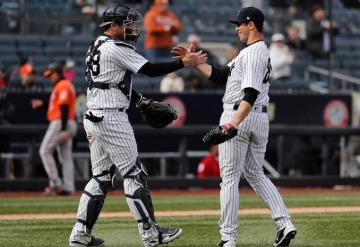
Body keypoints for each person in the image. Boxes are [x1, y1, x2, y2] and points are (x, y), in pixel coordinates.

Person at [68, 5, 206, 247]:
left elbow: (111, 82)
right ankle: (151, 233)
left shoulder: (96, 46)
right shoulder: (115, 46)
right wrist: (184, 63)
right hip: (112, 118)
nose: (132, 28)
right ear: (113, 26)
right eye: (127, 23)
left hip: (94, 115)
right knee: (134, 173)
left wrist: (140, 100)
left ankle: (80, 234)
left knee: (100, 177)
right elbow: (150, 70)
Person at [173, 6, 296, 247]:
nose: (236, 28)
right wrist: (194, 63)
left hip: (240, 113)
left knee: (229, 178)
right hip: (258, 118)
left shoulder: (253, 53)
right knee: (255, 173)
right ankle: (284, 223)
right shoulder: (250, 52)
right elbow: (220, 76)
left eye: (239, 23)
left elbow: (250, 93)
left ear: (251, 25)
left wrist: (232, 123)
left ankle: (228, 238)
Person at [31, 63, 77, 196]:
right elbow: (58, 107)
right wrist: (43, 104)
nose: (50, 77)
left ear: (57, 73)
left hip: (61, 123)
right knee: (65, 156)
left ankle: (56, 184)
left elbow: (64, 108)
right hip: (66, 122)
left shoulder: (63, 85)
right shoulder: (62, 85)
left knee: (44, 151)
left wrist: (63, 129)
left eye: (51, 75)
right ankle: (68, 187)